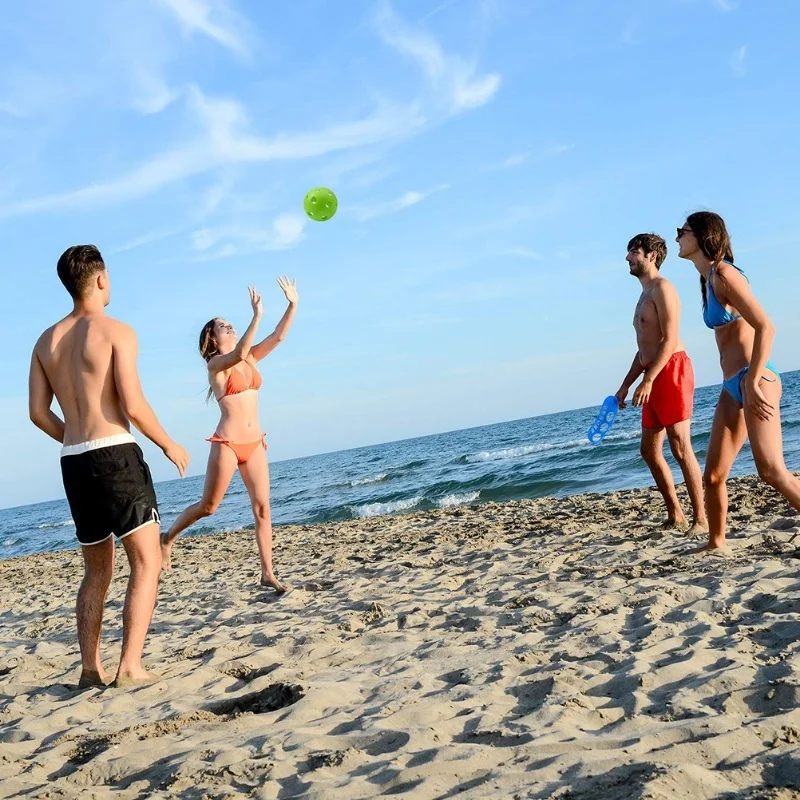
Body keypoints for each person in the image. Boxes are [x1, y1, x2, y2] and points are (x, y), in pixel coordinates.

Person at [28, 245, 189, 689]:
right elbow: (133, 404)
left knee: (97, 570)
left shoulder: (46, 341)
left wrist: (77, 439)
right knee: (146, 561)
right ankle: (131, 667)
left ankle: (89, 670)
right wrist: (168, 443)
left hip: (73, 461)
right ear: (99, 279)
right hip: (115, 452)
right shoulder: (116, 331)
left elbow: (38, 413)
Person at [160, 277, 298, 593]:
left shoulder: (249, 357)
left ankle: (268, 573)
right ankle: (167, 537)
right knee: (210, 507)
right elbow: (237, 355)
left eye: (231, 324)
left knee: (263, 508)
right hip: (229, 443)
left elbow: (278, 337)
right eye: (224, 327)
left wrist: (292, 304)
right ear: (212, 337)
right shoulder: (216, 365)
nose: (230, 328)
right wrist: (256, 316)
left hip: (255, 443)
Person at [677, 211, 800, 550]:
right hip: (733, 385)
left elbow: (766, 326)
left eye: (683, 230)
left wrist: (754, 380)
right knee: (713, 475)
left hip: (755, 379)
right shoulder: (707, 278)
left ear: (703, 236)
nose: (677, 236)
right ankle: (717, 543)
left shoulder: (724, 274)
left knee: (772, 471)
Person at [615, 233, 707, 532]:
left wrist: (649, 380)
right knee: (649, 450)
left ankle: (701, 519)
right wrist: (627, 384)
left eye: (634, 252)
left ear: (651, 256)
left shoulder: (663, 289)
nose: (628, 258)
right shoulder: (643, 294)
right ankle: (676, 514)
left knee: (681, 447)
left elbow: (669, 340)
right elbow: (644, 349)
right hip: (652, 373)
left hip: (672, 370)